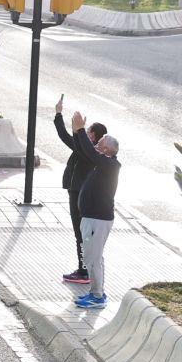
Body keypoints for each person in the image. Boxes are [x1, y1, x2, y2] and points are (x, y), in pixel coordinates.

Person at [65, 112, 120, 309]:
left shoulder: (109, 164)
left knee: (94, 259)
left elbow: (89, 150)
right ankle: (96, 293)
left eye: (100, 144)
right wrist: (75, 131)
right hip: (91, 218)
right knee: (93, 257)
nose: (96, 146)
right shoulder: (103, 163)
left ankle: (97, 297)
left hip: (98, 219)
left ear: (106, 150)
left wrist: (80, 130)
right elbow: (85, 149)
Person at [52, 95, 108, 287]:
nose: (86, 133)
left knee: (80, 233)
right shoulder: (87, 149)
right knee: (81, 233)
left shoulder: (88, 151)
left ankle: (84, 271)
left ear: (92, 136)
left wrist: (59, 115)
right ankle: (84, 269)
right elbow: (70, 139)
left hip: (78, 194)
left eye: (88, 131)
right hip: (76, 191)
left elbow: (65, 137)